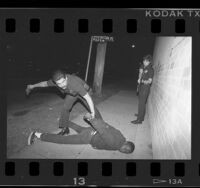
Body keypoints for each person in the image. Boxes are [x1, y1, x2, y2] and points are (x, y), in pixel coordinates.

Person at [26, 69, 101, 135]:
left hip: (84, 91)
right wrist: (32, 86)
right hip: (72, 93)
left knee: (91, 107)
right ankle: (65, 129)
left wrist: (92, 113)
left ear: (66, 78)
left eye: (63, 82)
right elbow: (44, 84)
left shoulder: (74, 83)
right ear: (55, 83)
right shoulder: (55, 82)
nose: (62, 85)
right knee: (65, 107)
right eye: (59, 84)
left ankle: (101, 125)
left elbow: (88, 98)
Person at [28, 113, 135, 154]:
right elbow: (105, 132)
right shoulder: (116, 144)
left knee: (78, 128)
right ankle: (37, 135)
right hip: (90, 137)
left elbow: (108, 127)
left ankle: (62, 120)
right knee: (64, 140)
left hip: (92, 131)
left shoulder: (121, 136)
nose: (123, 151)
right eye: (126, 150)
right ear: (126, 145)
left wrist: (96, 123)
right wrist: (92, 120)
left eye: (125, 152)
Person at [131, 54, 154, 124]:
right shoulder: (145, 68)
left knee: (141, 104)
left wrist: (142, 81)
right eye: (144, 60)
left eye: (146, 61)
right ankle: (141, 116)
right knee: (142, 103)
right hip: (142, 87)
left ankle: (139, 120)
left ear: (149, 61)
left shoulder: (150, 69)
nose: (144, 62)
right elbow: (141, 74)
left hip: (145, 88)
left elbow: (150, 81)